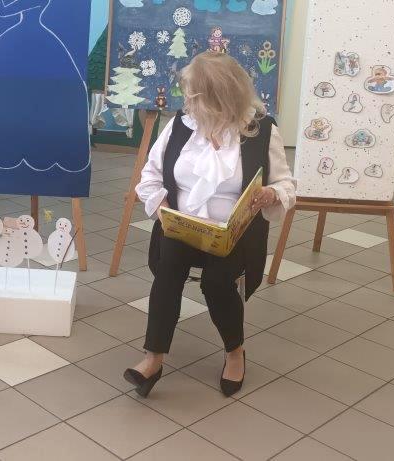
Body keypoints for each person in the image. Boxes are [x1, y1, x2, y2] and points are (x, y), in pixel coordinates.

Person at [124, 51, 296, 397]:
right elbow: (150, 177)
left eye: (195, 96)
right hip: (182, 227)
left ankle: (235, 352)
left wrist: (271, 194)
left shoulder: (261, 131)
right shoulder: (181, 125)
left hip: (233, 234)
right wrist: (164, 211)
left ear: (221, 98)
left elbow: (286, 185)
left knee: (217, 283)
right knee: (168, 269)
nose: (188, 103)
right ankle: (153, 358)